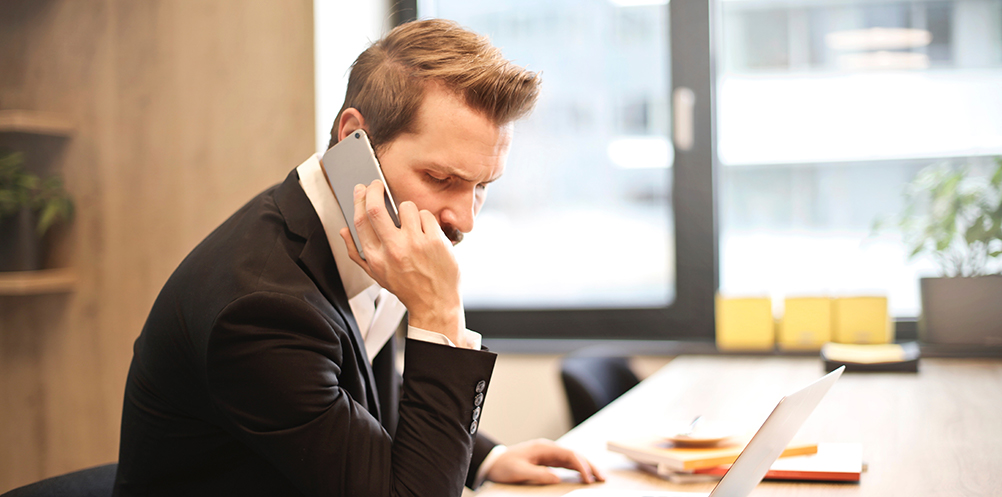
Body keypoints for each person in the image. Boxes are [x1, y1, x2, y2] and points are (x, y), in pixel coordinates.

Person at [113, 18, 603, 497]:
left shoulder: (356, 232)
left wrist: (486, 458)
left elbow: (362, 395)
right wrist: (440, 316)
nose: (465, 218)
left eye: (481, 187)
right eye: (440, 178)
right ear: (355, 139)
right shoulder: (260, 310)